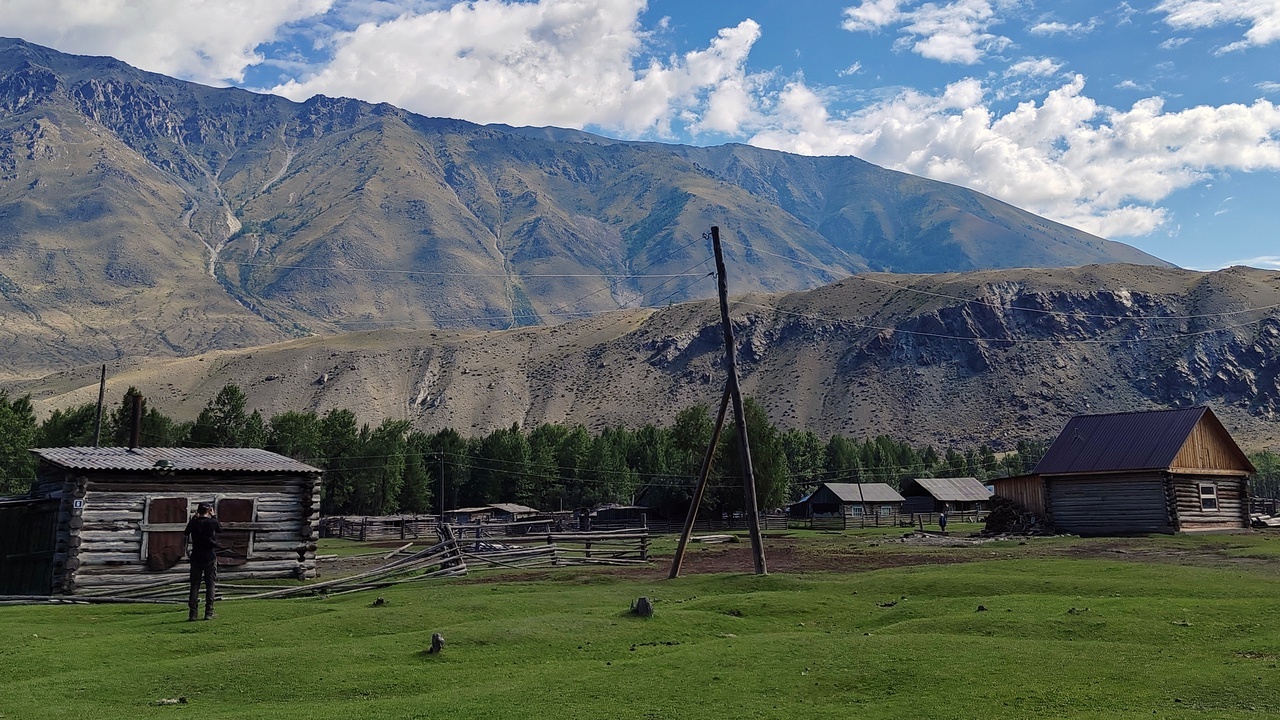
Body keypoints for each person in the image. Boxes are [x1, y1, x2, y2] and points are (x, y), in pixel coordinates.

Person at [184, 502, 222, 621]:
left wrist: (194, 518)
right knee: (210, 583)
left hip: (196, 556)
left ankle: (193, 614)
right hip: (209, 556)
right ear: (209, 510)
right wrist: (214, 516)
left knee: (195, 585)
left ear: (198, 511)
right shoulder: (212, 522)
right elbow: (220, 529)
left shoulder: (193, 523)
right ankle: (208, 612)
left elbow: (186, 532)